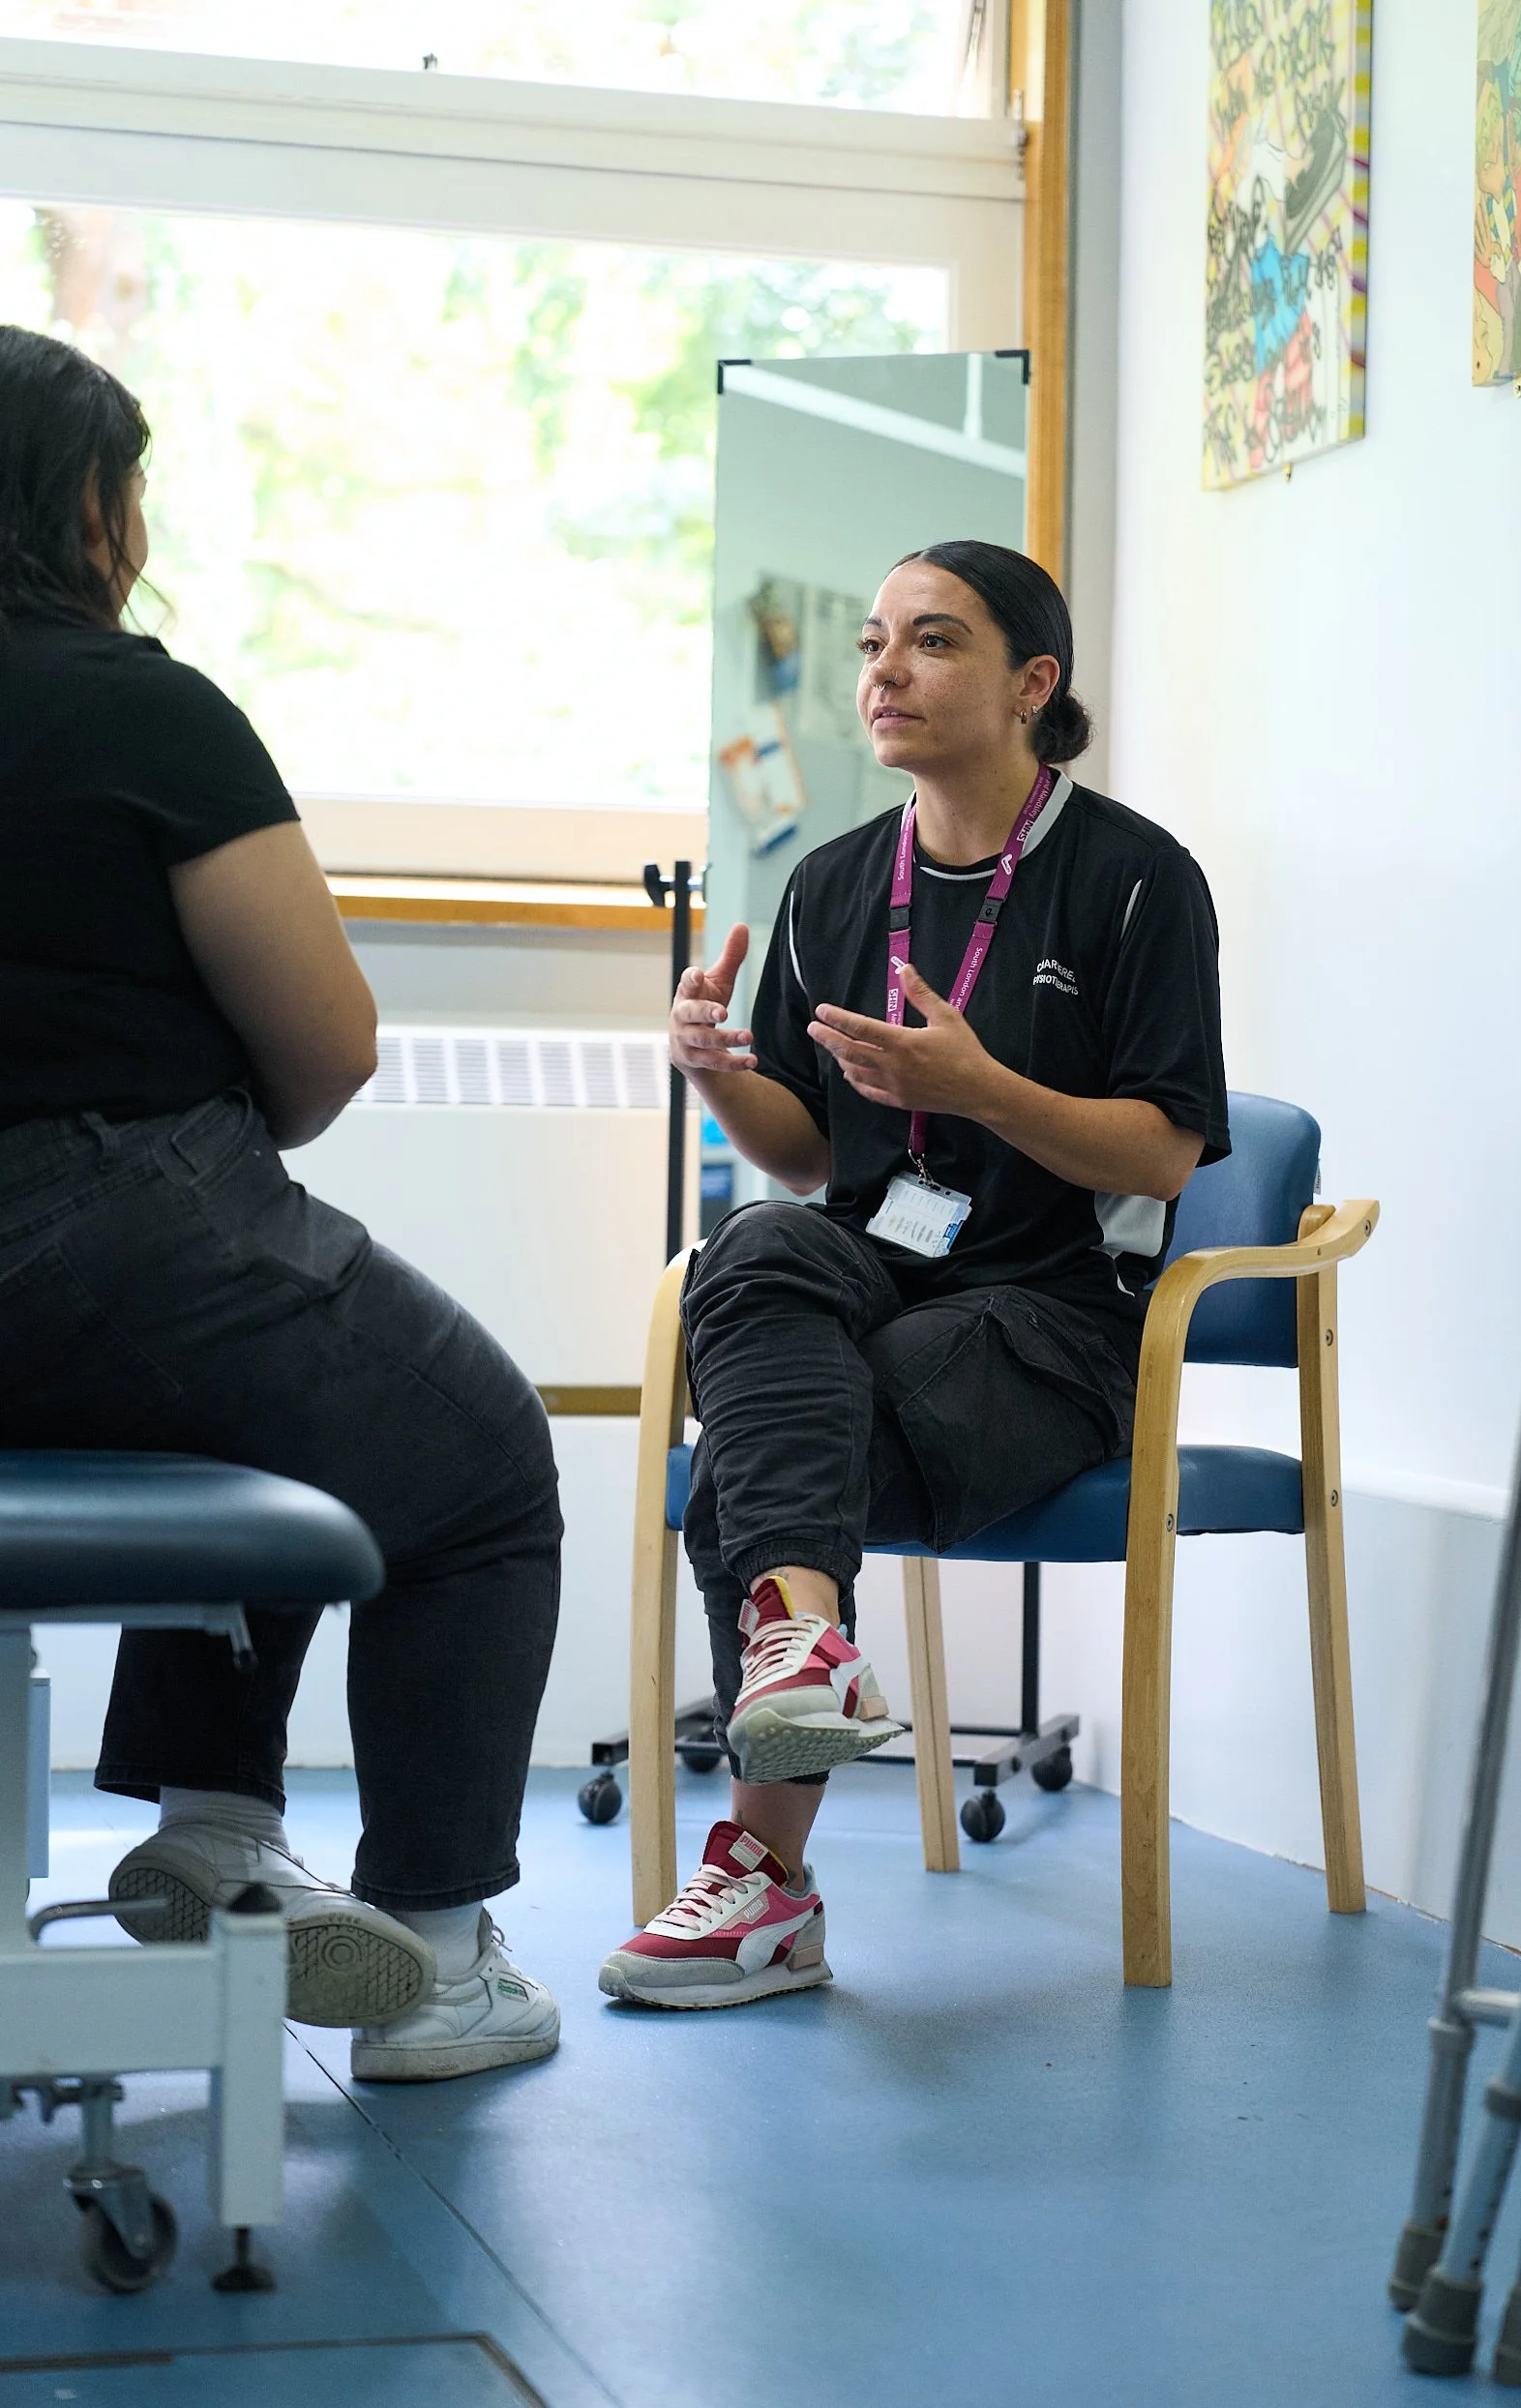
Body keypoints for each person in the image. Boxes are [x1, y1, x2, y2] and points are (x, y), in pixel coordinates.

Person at [0, 325, 563, 2082]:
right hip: (107, 1215)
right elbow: (325, 1047)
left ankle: (222, 1837)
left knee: (293, 1395)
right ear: (83, 507)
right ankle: (444, 1954)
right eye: (131, 485)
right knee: (464, 1459)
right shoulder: (137, 706)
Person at [599, 539, 1228, 2011]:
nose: (883, 671)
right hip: (880, 1268)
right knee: (746, 1249)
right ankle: (803, 1642)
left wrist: (985, 1085)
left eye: (931, 643)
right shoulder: (832, 881)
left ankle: (760, 1881)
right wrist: (714, 1073)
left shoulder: (1135, 881)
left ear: (1032, 684)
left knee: (779, 1435)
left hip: (1065, 1315)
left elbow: (1158, 1160)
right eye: (875, 642)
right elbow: (813, 1160)